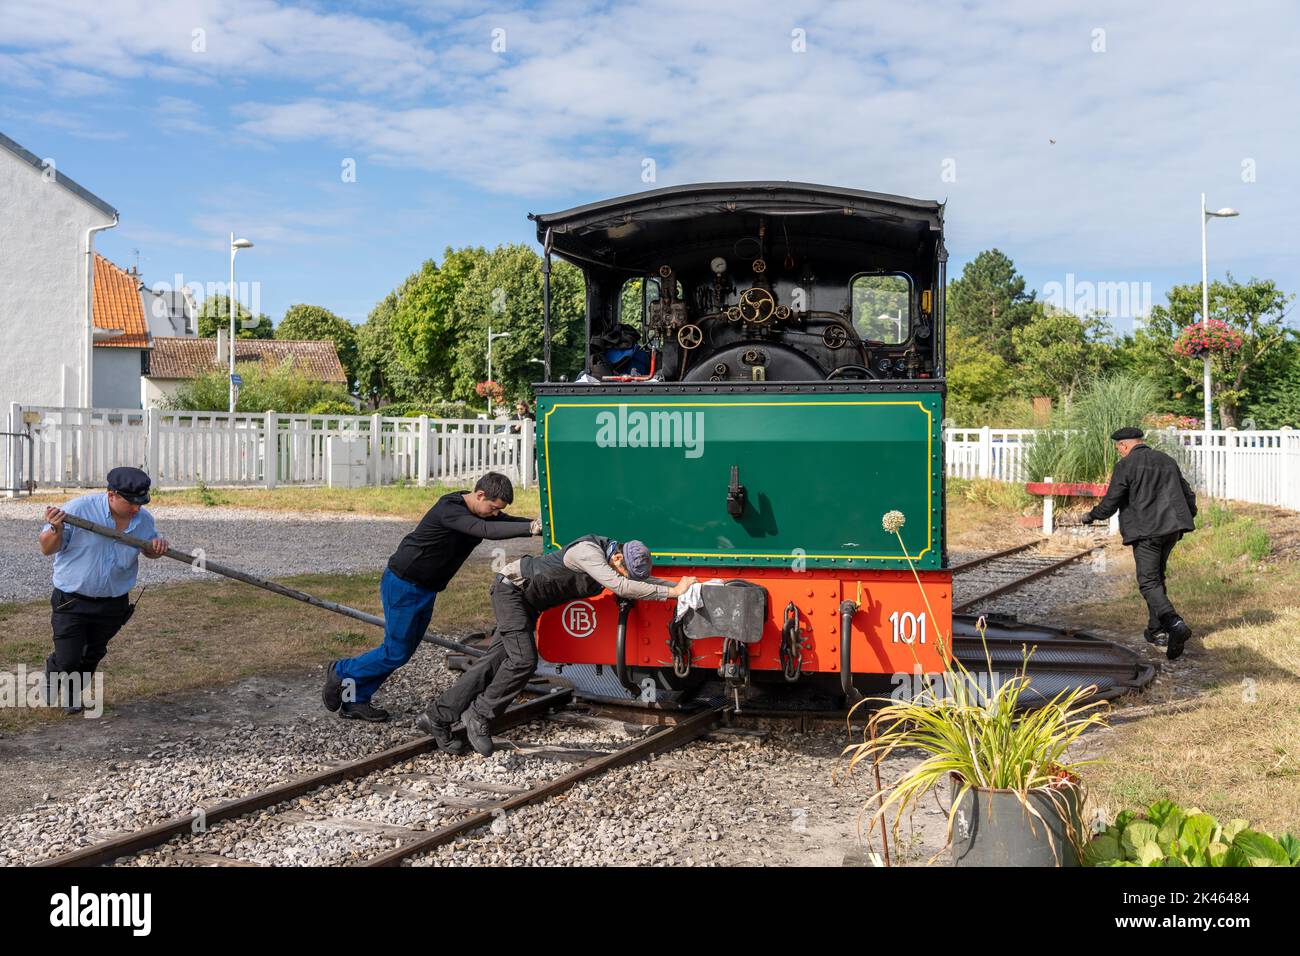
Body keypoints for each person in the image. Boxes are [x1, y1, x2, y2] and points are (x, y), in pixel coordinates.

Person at [418, 536, 695, 755]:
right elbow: (621, 586)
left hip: (526, 602)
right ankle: (478, 714)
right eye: (626, 571)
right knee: (524, 661)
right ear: (619, 557)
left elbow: (634, 581)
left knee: (492, 662)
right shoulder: (588, 552)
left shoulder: (613, 558)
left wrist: (680, 586)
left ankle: (436, 717)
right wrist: (671, 592)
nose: (626, 577)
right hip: (511, 592)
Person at [322, 472, 541, 722]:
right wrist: (529, 528)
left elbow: (504, 521)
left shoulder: (481, 511)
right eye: (493, 508)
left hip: (426, 589)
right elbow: (486, 529)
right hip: (404, 584)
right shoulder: (450, 508)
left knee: (401, 651)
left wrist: (539, 526)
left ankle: (355, 700)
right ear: (480, 495)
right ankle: (340, 671)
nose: (495, 514)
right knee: (395, 651)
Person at [38, 467, 168, 714]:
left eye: (141, 502)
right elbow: (47, 549)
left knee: (92, 654)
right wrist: (56, 529)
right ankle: (53, 672)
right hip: (72, 601)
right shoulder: (77, 510)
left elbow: (148, 550)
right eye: (131, 502)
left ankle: (74, 694)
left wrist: (156, 548)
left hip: (113, 602)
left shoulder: (144, 520)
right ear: (111, 494)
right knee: (69, 657)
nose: (136, 509)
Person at [1083, 427, 1197, 660]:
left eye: (1119, 449)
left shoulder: (1126, 466)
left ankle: (1174, 623)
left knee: (1147, 582)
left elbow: (1111, 502)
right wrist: (1187, 517)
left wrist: (1092, 516)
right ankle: (1157, 631)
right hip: (1172, 529)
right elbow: (1188, 494)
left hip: (1148, 532)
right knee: (1156, 578)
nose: (1119, 453)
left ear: (1124, 445)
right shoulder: (1166, 460)